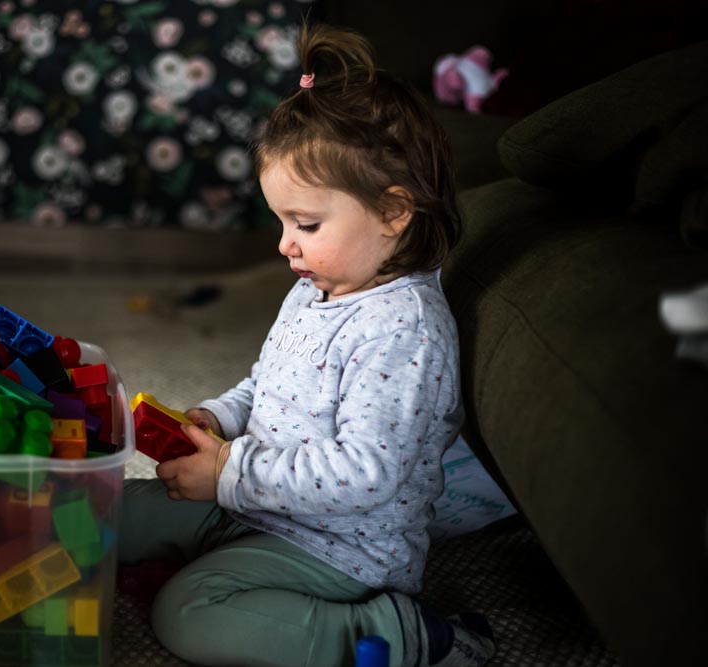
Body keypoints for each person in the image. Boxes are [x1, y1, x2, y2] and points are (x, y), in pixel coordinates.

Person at [119, 22, 496, 667]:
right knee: (105, 512)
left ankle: (402, 632)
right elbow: (265, 381)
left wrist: (230, 471)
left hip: (338, 549)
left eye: (306, 223)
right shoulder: (314, 286)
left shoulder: (404, 330)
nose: (284, 243)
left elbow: (365, 473)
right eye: (281, 221)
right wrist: (219, 418)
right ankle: (218, 563)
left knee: (186, 612)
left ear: (394, 212)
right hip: (251, 503)